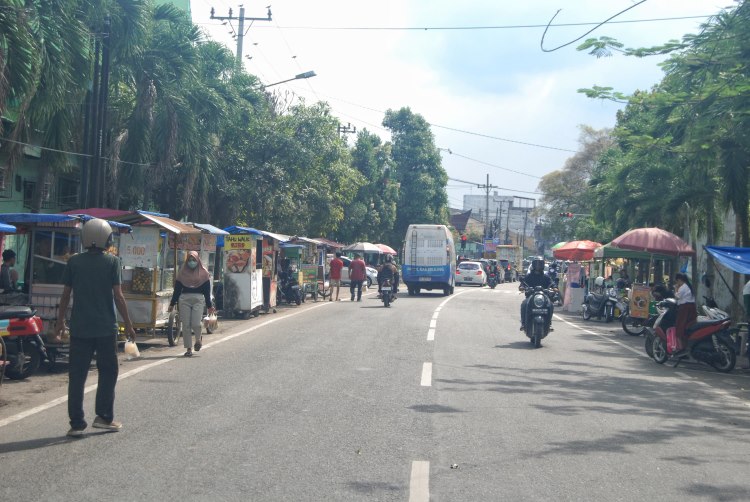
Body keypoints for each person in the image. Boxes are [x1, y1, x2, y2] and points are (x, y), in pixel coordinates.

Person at [55, 218, 136, 438]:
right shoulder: (112, 262)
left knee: (77, 375)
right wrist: (128, 324)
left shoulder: (74, 262)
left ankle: (76, 423)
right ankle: (103, 417)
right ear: (107, 239)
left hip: (80, 328)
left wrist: (60, 322)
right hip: (105, 329)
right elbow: (118, 297)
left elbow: (65, 296)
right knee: (108, 372)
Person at [169, 251, 215, 357]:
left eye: (194, 260)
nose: (191, 262)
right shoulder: (182, 273)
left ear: (198, 260)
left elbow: (207, 292)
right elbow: (177, 290)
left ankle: (198, 339)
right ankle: (189, 348)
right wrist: (172, 303)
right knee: (186, 325)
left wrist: (209, 306)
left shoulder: (204, 273)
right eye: (189, 260)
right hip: (184, 299)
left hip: (198, 299)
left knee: (195, 323)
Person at [519, 258, 552, 331]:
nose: (538, 266)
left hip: (543, 297)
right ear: (533, 265)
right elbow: (523, 284)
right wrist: (522, 287)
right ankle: (523, 323)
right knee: (524, 304)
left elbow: (552, 284)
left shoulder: (546, 277)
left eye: (539, 264)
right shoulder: (529, 276)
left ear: (542, 265)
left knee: (550, 305)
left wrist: (554, 288)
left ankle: (549, 323)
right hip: (530, 296)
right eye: (536, 264)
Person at [674, 272, 697, 351]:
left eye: (677, 281)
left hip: (685, 309)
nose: (677, 283)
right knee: (688, 325)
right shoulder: (688, 286)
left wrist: (676, 289)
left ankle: (681, 346)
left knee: (681, 326)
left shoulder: (683, 287)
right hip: (691, 308)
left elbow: (677, 297)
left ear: (679, 280)